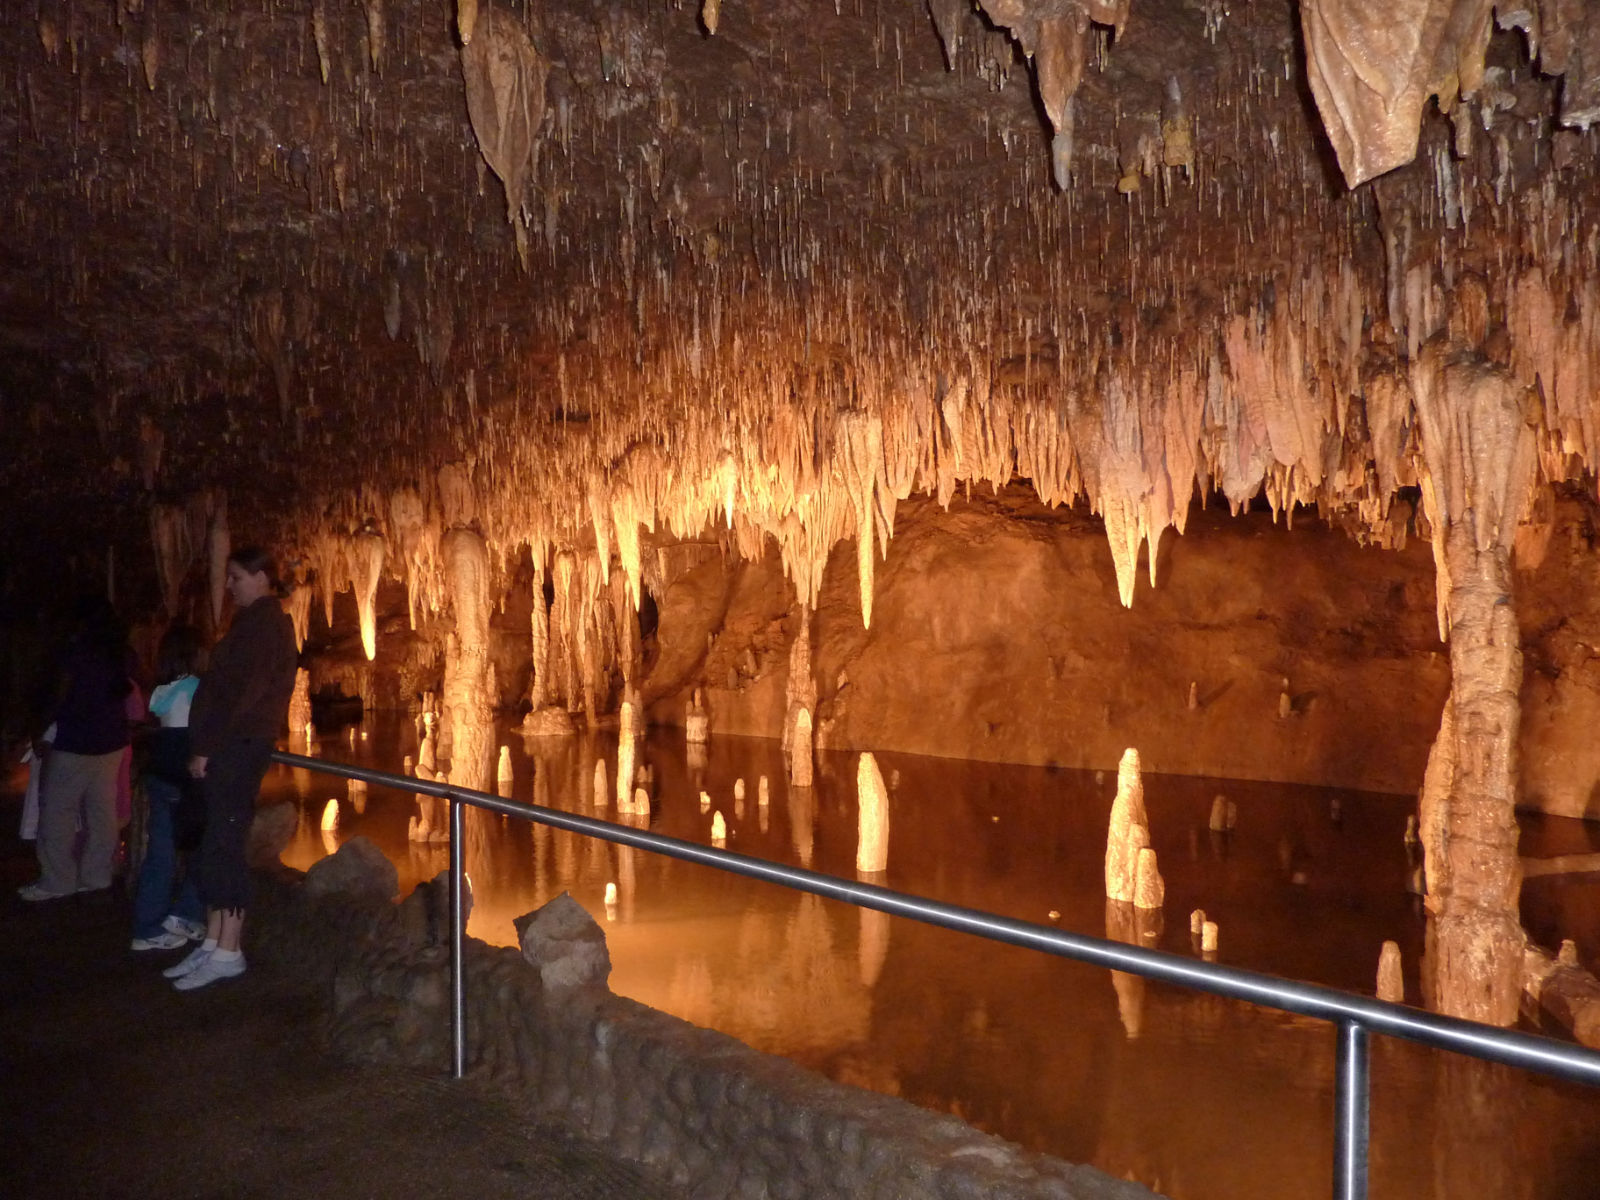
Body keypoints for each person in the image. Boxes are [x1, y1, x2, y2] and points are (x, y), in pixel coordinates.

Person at [163, 548, 298, 992]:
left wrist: (205, 747)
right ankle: (215, 940)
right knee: (216, 846)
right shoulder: (254, 623)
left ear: (261, 577)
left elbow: (240, 694)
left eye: (236, 576)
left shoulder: (266, 625)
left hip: (236, 748)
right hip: (231, 747)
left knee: (227, 843)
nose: (229, 585)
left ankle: (230, 951)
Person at [18, 597, 136, 901]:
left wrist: (37, 730)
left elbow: (58, 696)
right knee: (102, 811)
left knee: (58, 811)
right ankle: (96, 874)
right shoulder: (118, 652)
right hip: (112, 742)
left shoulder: (75, 652)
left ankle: (58, 880)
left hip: (77, 741)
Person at [129, 625, 208, 951]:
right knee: (204, 849)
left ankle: (146, 928)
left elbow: (160, 718)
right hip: (183, 779)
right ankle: (186, 914)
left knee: (159, 855)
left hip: (159, 777)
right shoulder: (197, 687)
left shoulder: (161, 691)